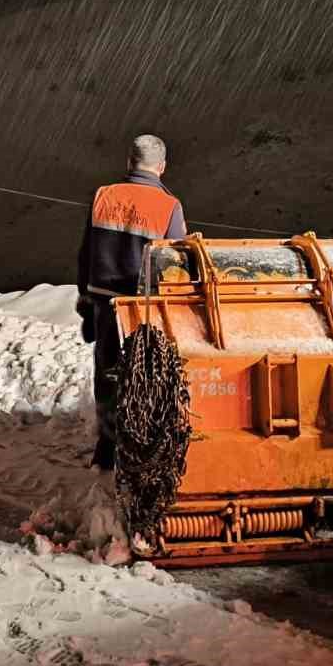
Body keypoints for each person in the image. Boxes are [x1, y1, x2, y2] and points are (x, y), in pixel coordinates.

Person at [76, 133, 187, 469]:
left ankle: (107, 447)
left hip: (106, 301)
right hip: (145, 307)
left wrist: (85, 295)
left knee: (108, 372)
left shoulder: (103, 196)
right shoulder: (169, 206)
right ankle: (141, 443)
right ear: (162, 167)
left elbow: (86, 251)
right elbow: (176, 263)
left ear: (129, 161)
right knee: (146, 375)